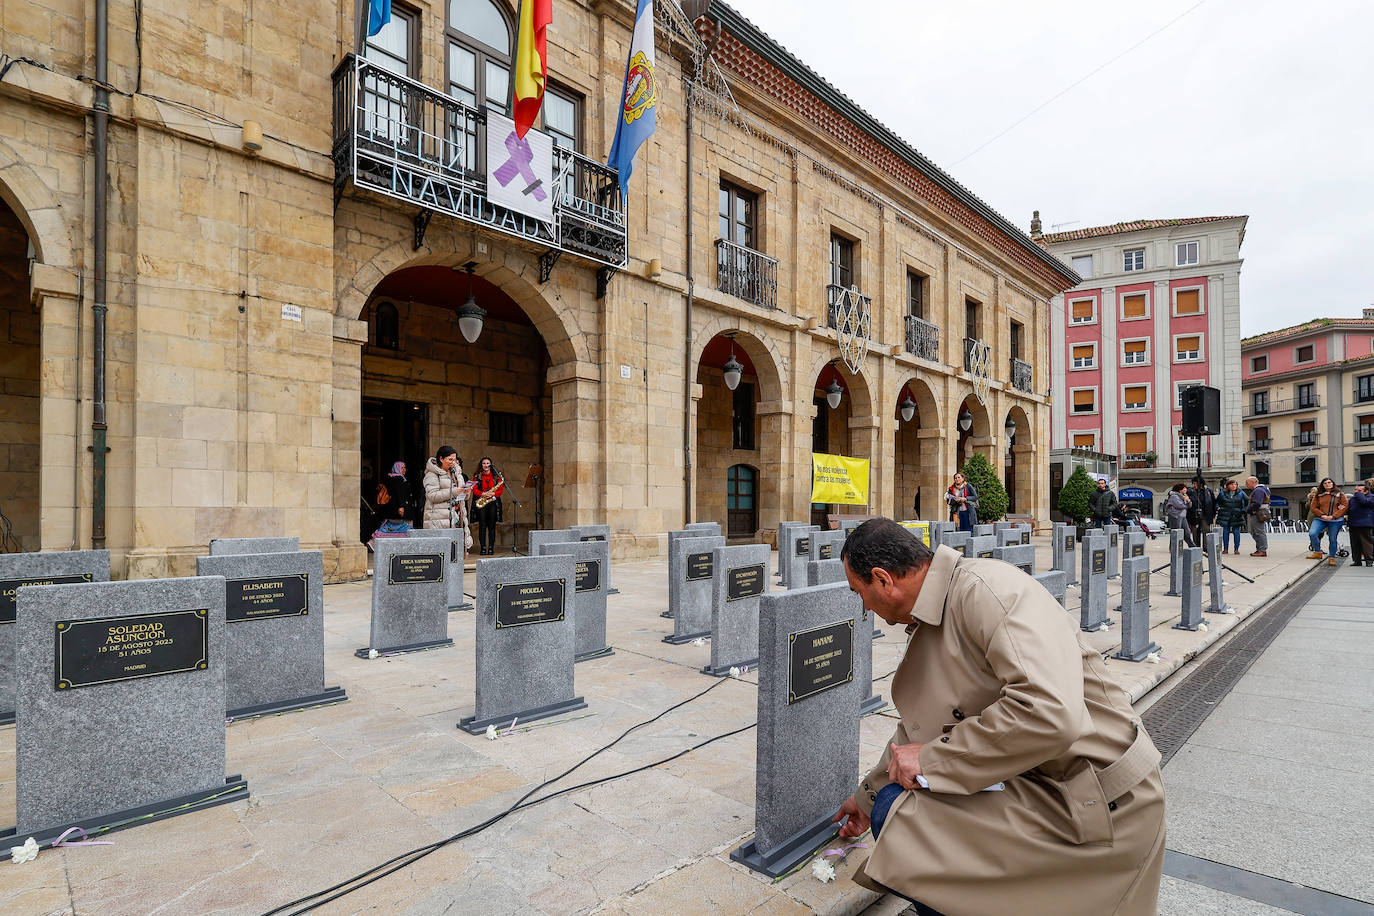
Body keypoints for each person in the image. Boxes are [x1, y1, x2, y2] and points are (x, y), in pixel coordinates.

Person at [832, 519, 1165, 915]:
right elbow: (924, 726)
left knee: (903, 816)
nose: (864, 608)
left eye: (860, 594)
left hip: (1093, 801)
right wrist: (864, 797)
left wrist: (931, 761)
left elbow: (1048, 712)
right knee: (889, 803)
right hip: (1042, 781)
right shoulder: (940, 607)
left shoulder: (987, 592)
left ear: (883, 579)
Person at [423, 446, 472, 551]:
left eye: (454, 460)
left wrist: (466, 492)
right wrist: (454, 492)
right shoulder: (432, 474)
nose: (453, 462)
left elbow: (461, 495)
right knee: (441, 552)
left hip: (458, 516)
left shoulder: (457, 473)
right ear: (441, 459)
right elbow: (432, 496)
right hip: (439, 519)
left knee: (456, 552)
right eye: (450, 459)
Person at [1306, 477, 1348, 566]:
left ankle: (1331, 557)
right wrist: (1322, 515)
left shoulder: (1340, 494)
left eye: (1329, 482)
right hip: (1321, 519)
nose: (1327, 484)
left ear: (1333, 484)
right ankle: (1318, 552)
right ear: (1322, 485)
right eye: (1325, 483)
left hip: (1335, 520)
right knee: (1312, 534)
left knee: (1332, 539)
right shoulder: (1319, 494)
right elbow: (1313, 507)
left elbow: (1345, 506)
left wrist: (1334, 516)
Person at [370, 461, 412, 543]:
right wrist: (402, 506)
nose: (404, 470)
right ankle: (374, 542)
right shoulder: (398, 479)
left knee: (392, 527)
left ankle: (374, 542)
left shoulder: (391, 478)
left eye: (405, 468)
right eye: (402, 468)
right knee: (397, 528)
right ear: (397, 469)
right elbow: (400, 494)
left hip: (392, 509)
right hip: (398, 509)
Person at [471, 456, 505, 556]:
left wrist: (492, 494)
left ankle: (491, 548)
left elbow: (500, 489)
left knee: (492, 527)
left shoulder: (496, 477)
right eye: (484, 463)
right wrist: (482, 494)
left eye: (487, 463)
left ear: (491, 465)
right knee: (482, 526)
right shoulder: (477, 476)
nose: (485, 465)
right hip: (482, 503)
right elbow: (474, 489)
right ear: (481, 465)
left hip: (493, 503)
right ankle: (483, 548)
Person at [1214, 479, 1248, 555]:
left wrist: (1243, 510)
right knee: (1225, 532)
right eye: (1232, 484)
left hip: (1237, 515)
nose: (1234, 486)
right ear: (1228, 486)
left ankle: (1236, 549)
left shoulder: (1241, 493)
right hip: (1225, 514)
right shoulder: (1222, 493)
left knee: (1236, 532)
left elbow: (1247, 503)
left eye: (1235, 484)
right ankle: (1225, 549)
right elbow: (1217, 502)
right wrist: (1217, 507)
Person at [1348, 479, 1374, 568]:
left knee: (1366, 543)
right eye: (1355, 490)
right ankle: (1357, 560)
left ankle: (1369, 561)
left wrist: (1358, 495)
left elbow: (1364, 502)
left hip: (1365, 523)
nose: (1356, 492)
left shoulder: (1371, 497)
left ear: (1366, 491)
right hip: (1353, 523)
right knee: (1354, 543)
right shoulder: (1353, 499)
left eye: (1359, 490)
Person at [1244, 475, 1271, 557]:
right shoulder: (1263, 489)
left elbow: (1257, 503)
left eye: (1247, 483)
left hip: (1257, 513)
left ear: (1253, 482)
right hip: (1261, 513)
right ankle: (1261, 549)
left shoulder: (1258, 490)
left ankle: (1262, 550)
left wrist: (1248, 509)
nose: (1246, 485)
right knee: (1257, 532)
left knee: (1258, 532)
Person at [1186, 476, 1216, 547]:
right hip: (1193, 515)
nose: (1194, 485)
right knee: (1195, 531)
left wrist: (1214, 513)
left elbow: (1213, 502)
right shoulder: (1190, 491)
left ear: (1201, 484)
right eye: (1193, 483)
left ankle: (1206, 547)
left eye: (1195, 483)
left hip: (1206, 514)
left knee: (1206, 530)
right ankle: (1196, 546)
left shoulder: (1208, 491)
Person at [1165, 483, 1194, 547]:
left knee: (1187, 531)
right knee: (1176, 532)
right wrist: (1186, 501)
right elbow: (1179, 505)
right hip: (1176, 516)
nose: (1186, 489)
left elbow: (1190, 505)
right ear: (1180, 490)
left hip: (1183, 516)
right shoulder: (1174, 496)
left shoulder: (1185, 496)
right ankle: (1173, 547)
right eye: (1184, 488)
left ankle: (1191, 545)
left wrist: (1188, 501)